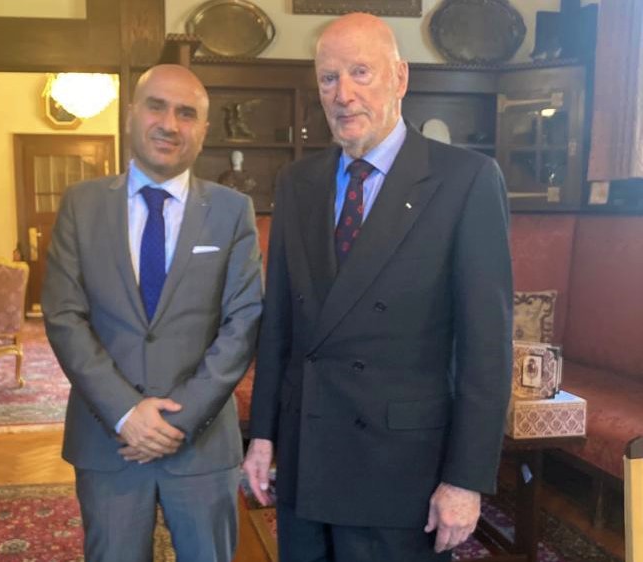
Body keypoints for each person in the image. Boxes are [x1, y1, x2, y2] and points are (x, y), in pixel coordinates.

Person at [243, 13, 513, 562]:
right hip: (306, 456)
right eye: (328, 78)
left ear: (400, 77)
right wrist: (262, 434)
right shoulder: (297, 183)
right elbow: (280, 326)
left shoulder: (466, 180)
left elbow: (486, 349)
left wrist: (465, 479)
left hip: (401, 471)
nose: (343, 94)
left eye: (360, 72)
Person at [42, 64, 263, 562]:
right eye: (156, 107)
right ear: (130, 115)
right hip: (108, 439)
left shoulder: (233, 210)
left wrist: (177, 422)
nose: (169, 124)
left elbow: (244, 321)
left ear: (203, 130)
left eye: (187, 114)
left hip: (202, 442)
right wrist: (125, 412)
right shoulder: (81, 204)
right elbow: (63, 315)